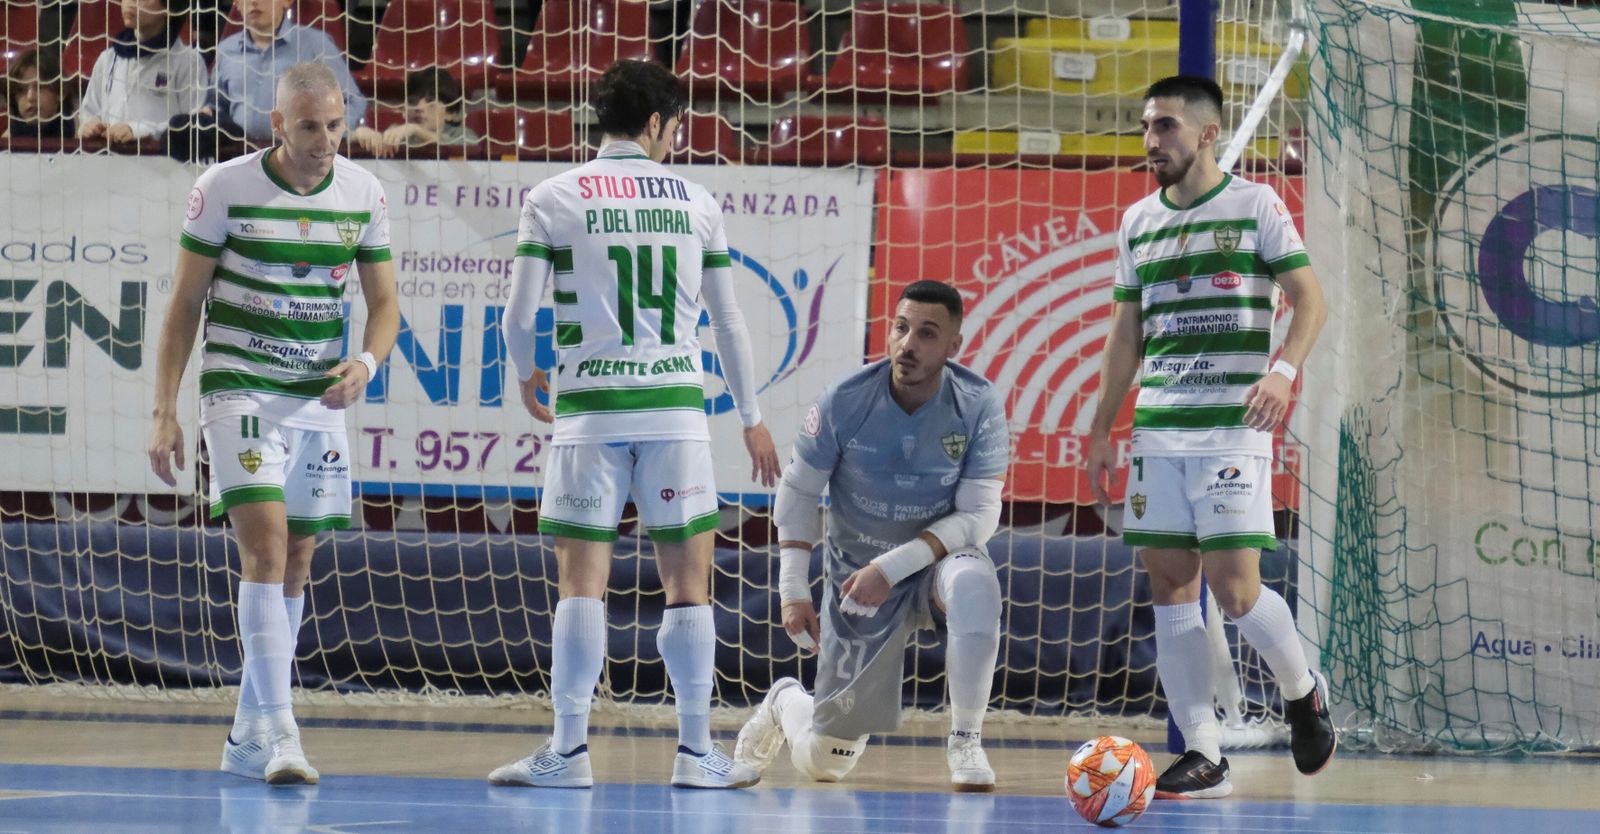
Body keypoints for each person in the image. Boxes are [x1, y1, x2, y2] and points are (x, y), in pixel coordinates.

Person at [491, 59, 781, 790]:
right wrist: (751, 417)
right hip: (675, 411)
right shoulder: (696, 201)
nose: (675, 137)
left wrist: (527, 373)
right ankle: (695, 753)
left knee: (580, 586)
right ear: (655, 123)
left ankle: (568, 752)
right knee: (688, 586)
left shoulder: (552, 196)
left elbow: (518, 317)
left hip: (589, 411)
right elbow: (728, 322)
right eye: (675, 125)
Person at [146, 62, 399, 786]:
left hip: (318, 398)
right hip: (240, 388)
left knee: (298, 560)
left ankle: (244, 733)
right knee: (265, 547)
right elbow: (184, 305)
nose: (326, 140)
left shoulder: (363, 193)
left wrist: (366, 364)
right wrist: (165, 410)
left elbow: (385, 305)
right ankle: (283, 731)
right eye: (311, 127)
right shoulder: (224, 187)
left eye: (336, 125)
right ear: (278, 124)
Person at [1084, 75, 1335, 799]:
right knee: (1171, 587)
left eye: (1164, 125)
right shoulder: (1138, 221)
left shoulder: (1256, 205)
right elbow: (1125, 334)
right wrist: (1102, 427)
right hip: (1159, 433)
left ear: (1206, 132)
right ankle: (1204, 751)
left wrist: (1282, 372)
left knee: (1235, 591)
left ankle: (1302, 690)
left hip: (1233, 429)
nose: (1150, 140)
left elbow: (1311, 300)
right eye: (1144, 126)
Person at [733, 280, 1010, 793]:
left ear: (954, 346)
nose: (908, 344)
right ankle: (784, 701)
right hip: (855, 579)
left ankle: (966, 740)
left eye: (927, 334)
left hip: (931, 566)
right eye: (901, 328)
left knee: (976, 582)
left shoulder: (977, 403)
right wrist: (793, 589)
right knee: (826, 763)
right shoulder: (845, 400)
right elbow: (797, 493)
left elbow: (979, 516)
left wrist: (894, 567)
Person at [208, 0, 382, 154]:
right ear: (237, 4)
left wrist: (334, 132)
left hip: (301, 161)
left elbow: (352, 101)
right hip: (241, 158)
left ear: (286, 1)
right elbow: (216, 106)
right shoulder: (225, 50)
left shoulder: (316, 45)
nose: (253, 2)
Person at [78, 0, 208, 145]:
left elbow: (193, 124)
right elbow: (89, 111)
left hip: (161, 157)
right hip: (108, 155)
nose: (130, 2)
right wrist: (89, 125)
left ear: (168, 6)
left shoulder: (188, 61)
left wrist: (138, 131)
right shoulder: (108, 57)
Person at [381, 68, 481, 148]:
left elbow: (470, 146)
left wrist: (417, 130)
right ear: (403, 110)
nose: (419, 107)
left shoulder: (461, 134)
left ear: (449, 112)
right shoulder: (396, 132)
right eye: (412, 101)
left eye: (431, 101)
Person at [4, 49, 77, 140]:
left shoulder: (79, 132)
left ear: (60, 92)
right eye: (21, 90)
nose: (30, 97)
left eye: (40, 87)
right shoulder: (7, 141)